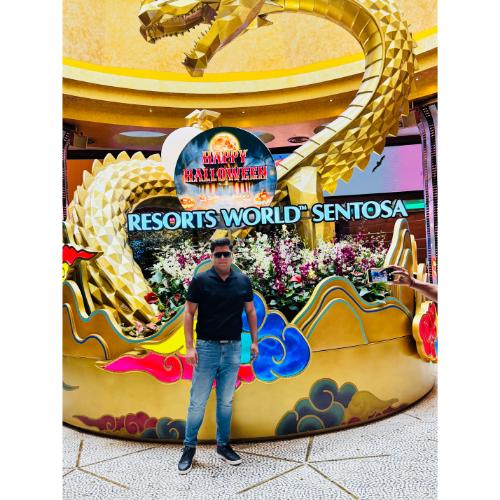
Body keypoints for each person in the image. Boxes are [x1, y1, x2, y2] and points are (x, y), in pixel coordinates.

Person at [177, 237, 259, 474]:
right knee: (197, 401)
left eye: (226, 254)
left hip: (233, 348)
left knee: (225, 401)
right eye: (218, 254)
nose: (222, 258)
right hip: (207, 349)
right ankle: (189, 448)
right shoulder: (201, 281)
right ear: (211, 256)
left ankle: (223, 446)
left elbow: (250, 311)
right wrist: (190, 347)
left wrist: (254, 342)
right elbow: (189, 313)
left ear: (232, 256)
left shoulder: (242, 281)